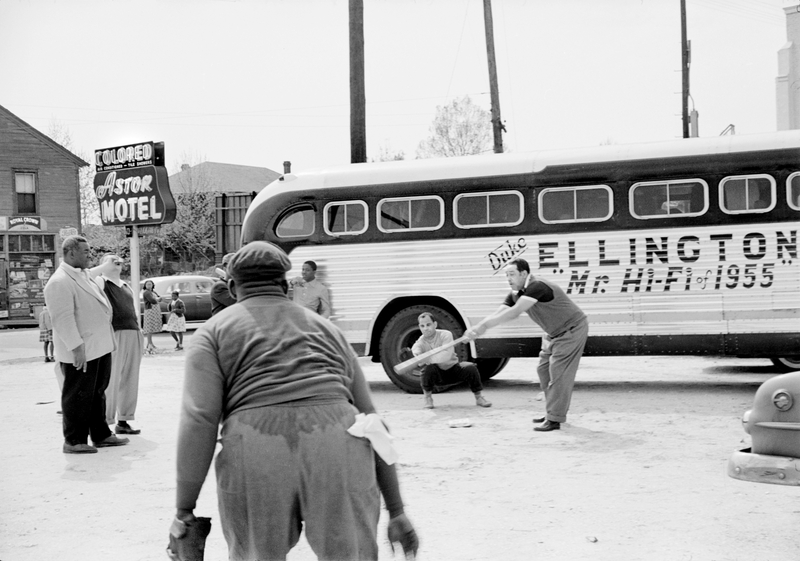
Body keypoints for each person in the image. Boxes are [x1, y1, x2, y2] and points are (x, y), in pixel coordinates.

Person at [173, 241, 418, 561]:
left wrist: (184, 509)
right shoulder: (328, 331)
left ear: (233, 287)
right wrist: (397, 511)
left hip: (256, 450)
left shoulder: (212, 332)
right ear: (286, 285)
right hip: (339, 444)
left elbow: (199, 419)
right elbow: (371, 421)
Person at [465, 258, 588, 432]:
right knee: (543, 370)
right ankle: (551, 412)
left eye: (512, 274)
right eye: (506, 275)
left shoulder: (537, 286)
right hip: (552, 333)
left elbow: (514, 312)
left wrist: (484, 327)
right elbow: (500, 312)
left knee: (558, 373)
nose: (509, 279)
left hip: (572, 330)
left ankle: (555, 419)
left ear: (524, 274)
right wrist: (476, 329)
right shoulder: (515, 293)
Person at [43, 235, 129, 453]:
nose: (90, 255)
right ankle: (74, 440)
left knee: (97, 392)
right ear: (71, 253)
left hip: (98, 347)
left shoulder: (82, 275)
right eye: (85, 252)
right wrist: (76, 347)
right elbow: (62, 318)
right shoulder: (59, 281)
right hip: (81, 350)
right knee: (77, 395)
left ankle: (100, 434)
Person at [95, 254, 143, 435]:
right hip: (115, 333)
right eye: (111, 260)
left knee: (130, 378)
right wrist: (104, 267)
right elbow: (85, 278)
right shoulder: (100, 281)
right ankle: (105, 422)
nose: (116, 262)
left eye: (118, 261)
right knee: (111, 379)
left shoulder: (125, 285)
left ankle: (124, 420)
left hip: (133, 332)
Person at [411, 312, 491, 409]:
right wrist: (418, 355)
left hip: (453, 369)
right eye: (422, 326)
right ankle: (428, 398)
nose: (426, 328)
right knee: (426, 371)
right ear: (420, 327)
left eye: (428, 325)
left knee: (471, 368)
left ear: (435, 324)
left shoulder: (446, 334)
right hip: (438, 375)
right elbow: (417, 353)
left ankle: (479, 398)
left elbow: (446, 356)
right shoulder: (420, 342)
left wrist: (427, 358)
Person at [141, 279, 162, 353]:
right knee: (149, 327)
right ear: (145, 286)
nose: (149, 285)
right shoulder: (146, 292)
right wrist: (158, 299)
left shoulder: (152, 292)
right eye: (147, 284)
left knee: (151, 327)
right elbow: (152, 300)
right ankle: (149, 343)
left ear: (153, 285)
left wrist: (159, 299)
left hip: (154, 310)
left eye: (150, 284)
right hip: (150, 310)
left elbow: (158, 297)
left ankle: (150, 343)